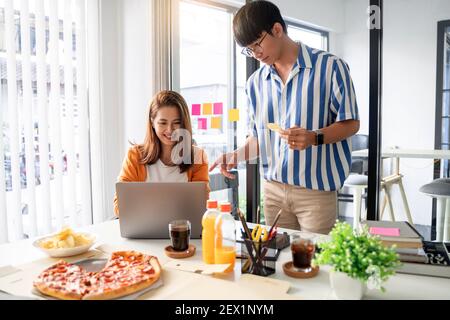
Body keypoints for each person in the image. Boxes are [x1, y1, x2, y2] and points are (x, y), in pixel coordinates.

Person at [210, 1, 360, 234]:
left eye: (257, 44)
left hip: (316, 195)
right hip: (272, 193)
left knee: (315, 265)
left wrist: (314, 138)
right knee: (275, 263)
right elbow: (259, 139)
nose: (255, 54)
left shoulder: (331, 67)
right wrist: (235, 156)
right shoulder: (255, 83)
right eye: (249, 49)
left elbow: (351, 123)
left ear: (277, 30)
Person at [114, 90, 210, 216]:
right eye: (163, 123)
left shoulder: (198, 157)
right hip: (144, 229)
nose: (170, 130)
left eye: (176, 123)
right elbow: (119, 206)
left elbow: (202, 204)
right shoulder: (135, 156)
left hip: (183, 231)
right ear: (152, 122)